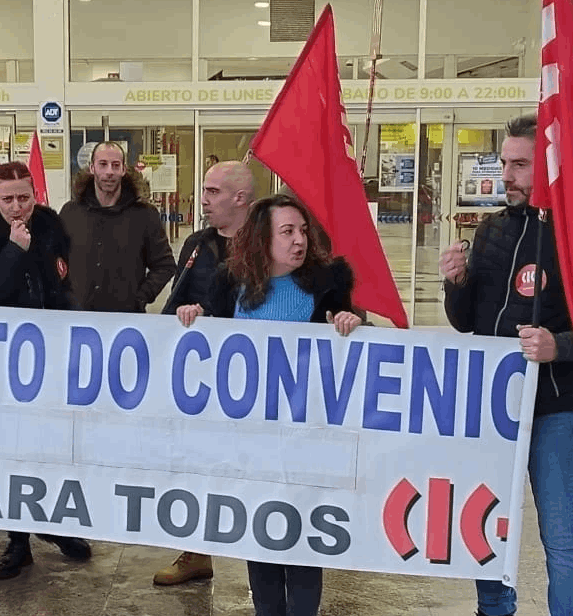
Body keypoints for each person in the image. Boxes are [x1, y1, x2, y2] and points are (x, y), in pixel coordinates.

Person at [187, 194, 362, 616]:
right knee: (260, 536)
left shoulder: (330, 281)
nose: (299, 240)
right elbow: (214, 340)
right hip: (251, 440)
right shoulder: (229, 283)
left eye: (303, 231)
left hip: (308, 438)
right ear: (262, 240)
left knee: (302, 540)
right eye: (287, 232)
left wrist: (351, 323)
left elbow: (352, 349)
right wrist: (195, 316)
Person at [441, 114, 573, 616]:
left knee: (561, 540)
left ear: (549, 167)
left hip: (555, 409)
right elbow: (466, 322)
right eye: (504, 162)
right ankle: (494, 608)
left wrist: (558, 346)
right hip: (493, 409)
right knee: (485, 528)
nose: (507, 175)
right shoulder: (493, 229)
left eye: (520, 164)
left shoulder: (567, 232)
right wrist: (456, 284)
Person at [0, 161, 93, 579]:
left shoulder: (50, 224)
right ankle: (18, 540)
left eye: (25, 197)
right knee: (12, 451)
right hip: (0, 358)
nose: (18, 207)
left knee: (51, 446)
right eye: (8, 199)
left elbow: (61, 283)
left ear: (36, 194)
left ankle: (53, 524)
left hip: (47, 354)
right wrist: (14, 248)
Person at [153, 160, 255, 587]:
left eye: (213, 191)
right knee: (197, 466)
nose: (203, 199)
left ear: (240, 199)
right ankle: (196, 552)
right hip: (202, 376)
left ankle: (264, 560)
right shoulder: (198, 243)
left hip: (251, 379)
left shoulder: (267, 244)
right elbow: (181, 294)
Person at [59, 141, 174, 313]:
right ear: (92, 168)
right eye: (103, 165)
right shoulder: (71, 212)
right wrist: (65, 295)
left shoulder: (144, 214)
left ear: (123, 170)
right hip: (78, 318)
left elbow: (165, 265)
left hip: (126, 320)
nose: (109, 172)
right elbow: (56, 261)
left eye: (115, 165)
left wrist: (141, 297)